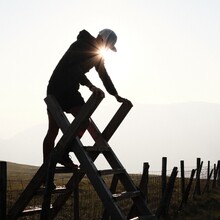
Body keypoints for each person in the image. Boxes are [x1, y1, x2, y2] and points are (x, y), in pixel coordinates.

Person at [43, 29, 130, 168]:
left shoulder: (98, 54)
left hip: (71, 89)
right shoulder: (80, 45)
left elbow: (103, 75)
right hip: (57, 88)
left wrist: (115, 95)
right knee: (53, 130)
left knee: (83, 121)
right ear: (102, 39)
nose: (106, 50)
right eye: (107, 46)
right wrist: (90, 86)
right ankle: (46, 174)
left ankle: (64, 153)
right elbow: (74, 68)